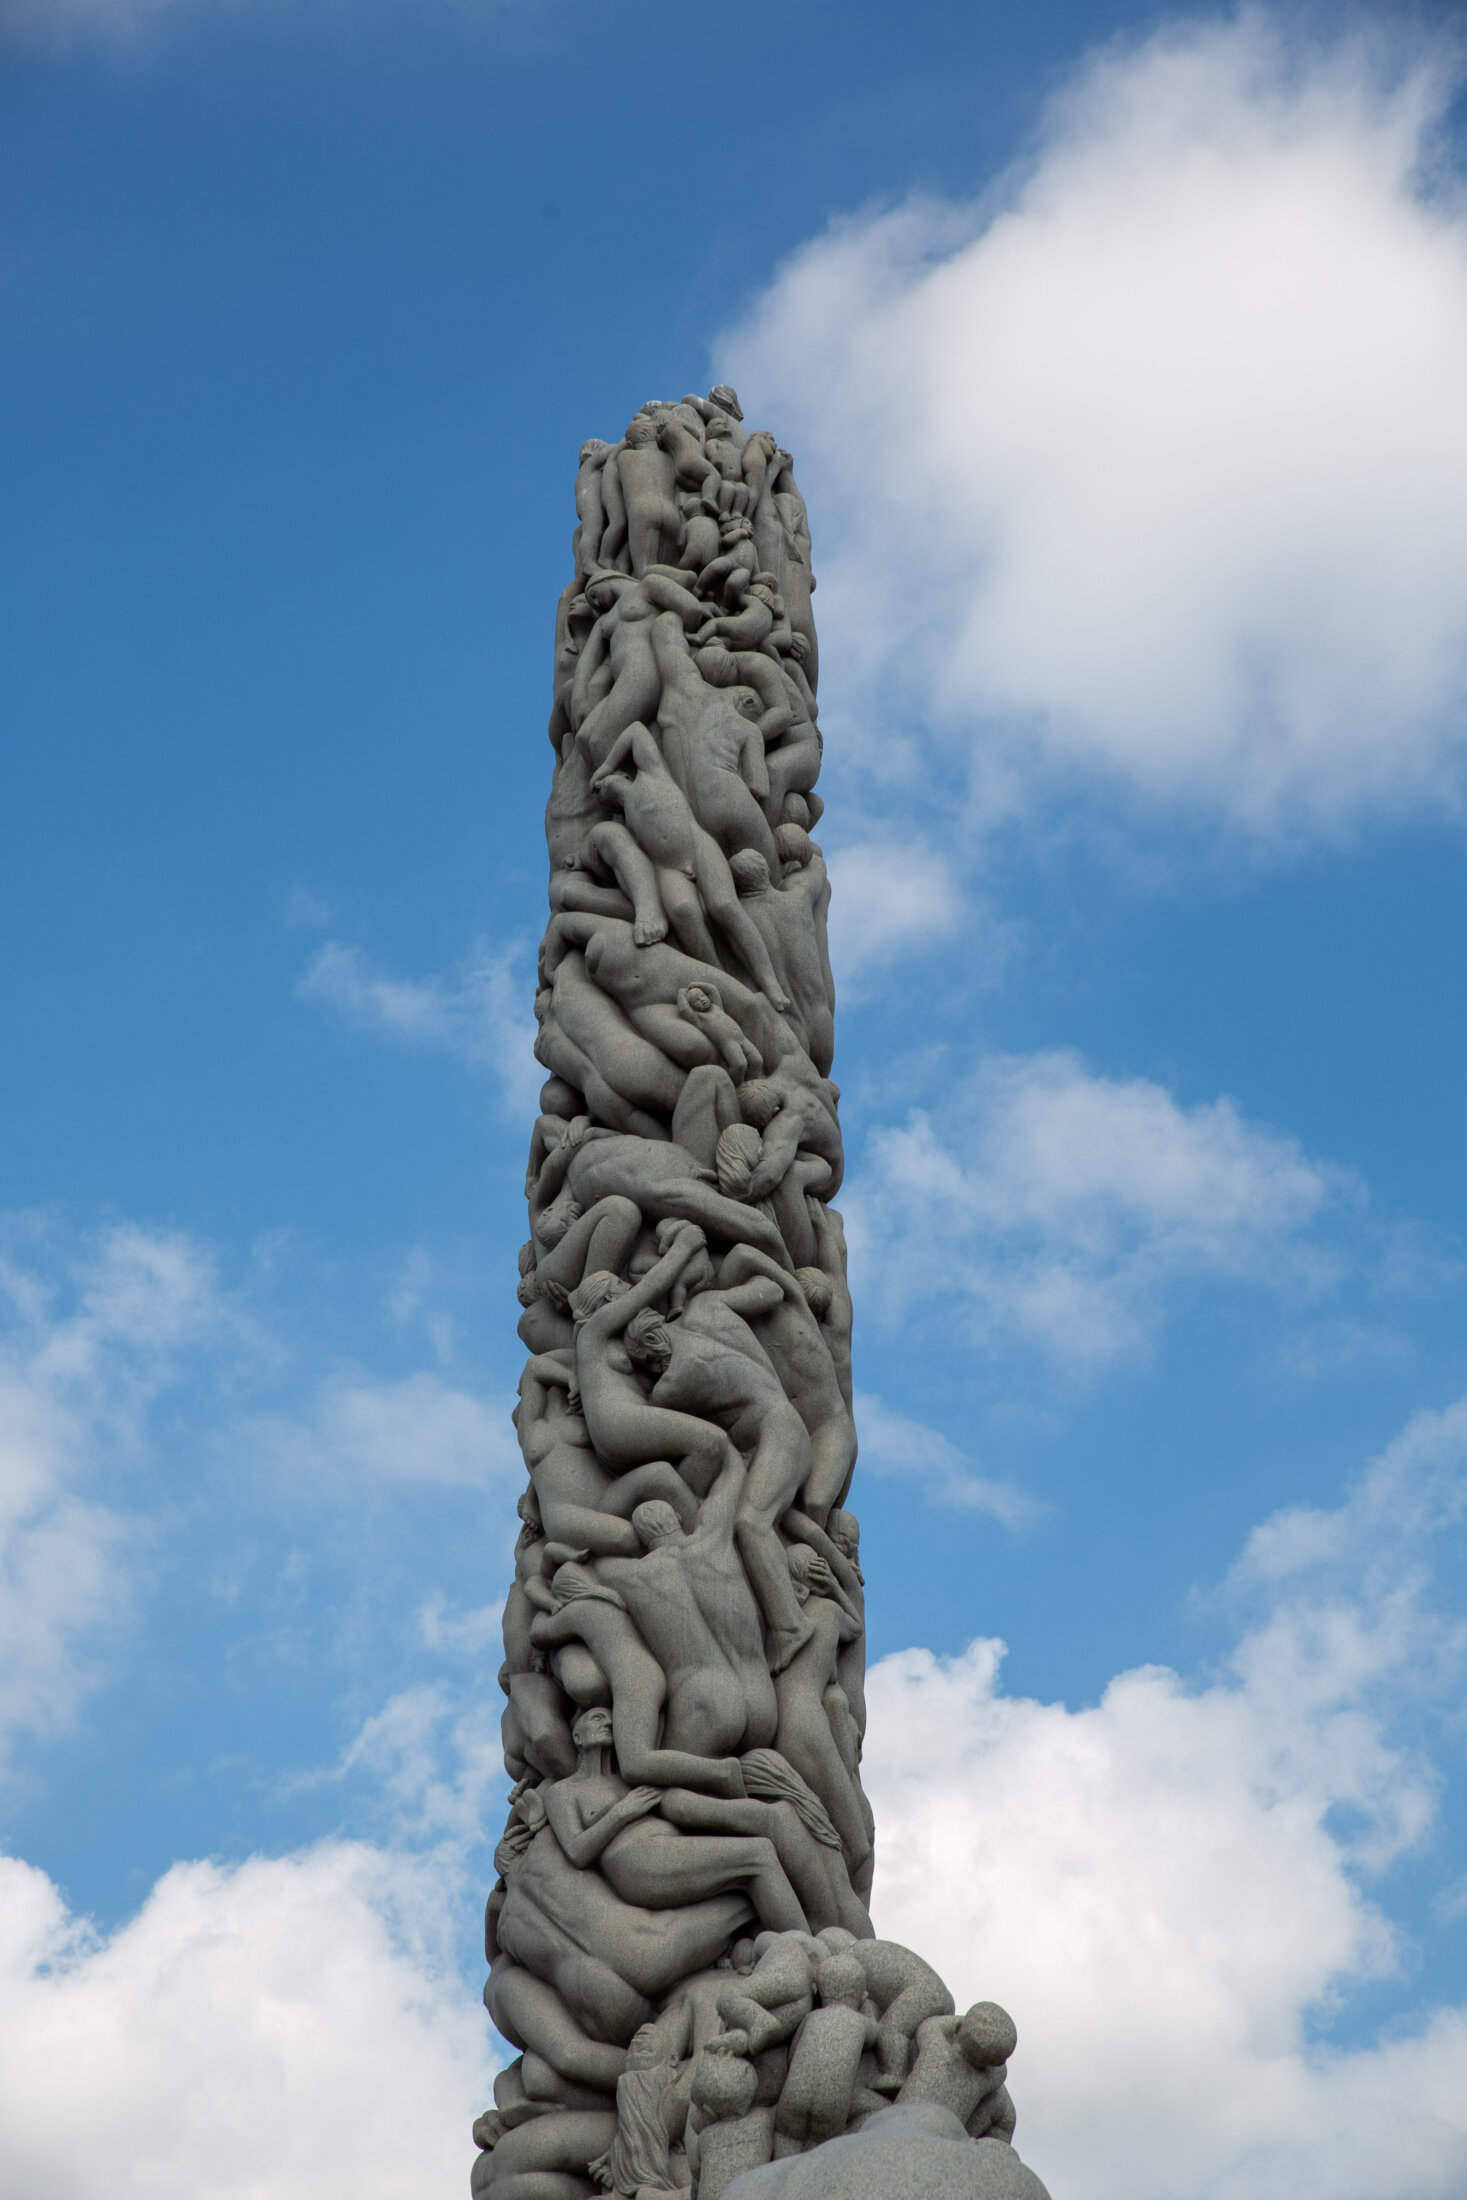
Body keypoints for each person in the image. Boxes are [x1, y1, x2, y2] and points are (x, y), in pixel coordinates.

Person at [617, 1244, 817, 1672]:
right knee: (755, 1523)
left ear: (652, 1345)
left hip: (778, 1436)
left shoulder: (671, 1385)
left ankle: (790, 1627)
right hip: (782, 1427)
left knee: (751, 1524)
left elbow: (645, 1426)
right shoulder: (708, 1307)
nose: (651, 1369)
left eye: (647, 1362)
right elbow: (771, 1290)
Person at [541, 1707, 808, 1932]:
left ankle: (782, 1945)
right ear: (577, 1736)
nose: (608, 1723)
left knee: (754, 1861)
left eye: (612, 1719)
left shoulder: (628, 1780)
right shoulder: (563, 1791)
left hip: (668, 1849)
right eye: (597, 1718)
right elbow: (577, 1851)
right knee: (759, 1854)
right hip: (636, 1862)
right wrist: (623, 1812)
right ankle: (806, 1952)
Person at [589, 722, 789, 1009]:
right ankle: (722, 979)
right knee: (684, 912)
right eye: (599, 794)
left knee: (724, 906)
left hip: (698, 848)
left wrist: (603, 768)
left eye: (605, 784)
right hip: (668, 869)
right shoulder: (627, 818)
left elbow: (635, 730)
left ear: (623, 774)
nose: (602, 790)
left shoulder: (651, 773)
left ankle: (769, 983)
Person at [712, 1245, 856, 1523]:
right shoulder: (771, 1297)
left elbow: (743, 1254)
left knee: (814, 1505)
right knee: (774, 1504)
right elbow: (742, 1253)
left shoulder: (796, 1303)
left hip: (829, 1428)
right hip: (788, 1427)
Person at [515, 1351, 697, 1558]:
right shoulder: (532, 1428)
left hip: (607, 1496)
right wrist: (570, 1379)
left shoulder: (580, 1421)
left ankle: (702, 1532)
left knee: (661, 1473)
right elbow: (533, 1366)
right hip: (565, 1513)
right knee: (626, 1537)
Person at [771, 1548, 871, 1892]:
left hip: (776, 1724)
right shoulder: (828, 1611)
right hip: (806, 1725)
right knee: (857, 1846)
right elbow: (856, 1626)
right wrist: (836, 1587)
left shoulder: (777, 1622)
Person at [772, 1952, 878, 2157]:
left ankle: (782, 2170)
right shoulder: (861, 2022)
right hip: (833, 2106)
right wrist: (867, 2008)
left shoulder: (811, 2017)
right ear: (863, 1996)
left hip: (793, 2097)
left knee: (787, 2137)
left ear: (817, 1991)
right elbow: (876, 2034)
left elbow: (792, 2054)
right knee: (821, 2146)